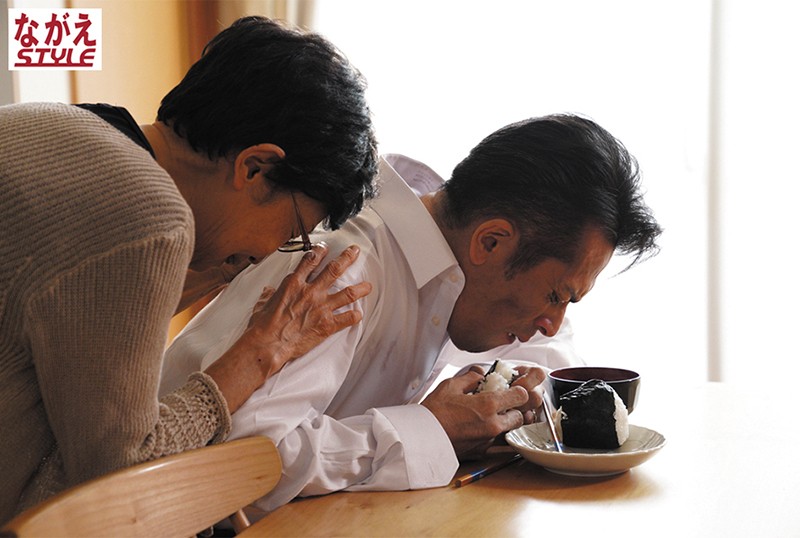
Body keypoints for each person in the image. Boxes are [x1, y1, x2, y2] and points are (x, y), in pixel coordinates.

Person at [161, 114, 662, 514]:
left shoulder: (450, 258)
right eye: (556, 295)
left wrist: (513, 390)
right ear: (491, 242)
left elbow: (552, 351)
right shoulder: (346, 270)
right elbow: (248, 463)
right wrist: (429, 430)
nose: (551, 321)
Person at [0, 16, 378, 524]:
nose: (272, 254)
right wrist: (262, 353)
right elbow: (119, 482)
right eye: (293, 231)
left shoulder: (54, 123)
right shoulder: (147, 217)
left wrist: (225, 267)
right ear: (255, 167)